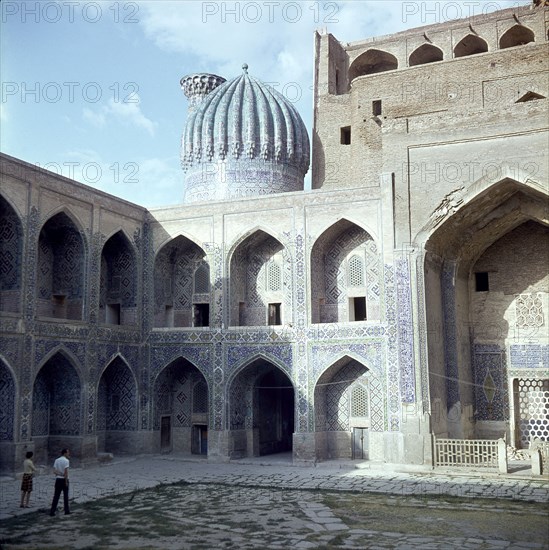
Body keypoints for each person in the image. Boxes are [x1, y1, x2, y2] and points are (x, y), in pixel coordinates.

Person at [49, 448, 70, 516]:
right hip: (64, 479)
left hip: (58, 479)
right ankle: (66, 510)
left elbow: (54, 471)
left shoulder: (57, 460)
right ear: (64, 453)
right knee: (65, 496)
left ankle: (52, 511)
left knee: (56, 496)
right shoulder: (66, 461)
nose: (68, 453)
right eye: (68, 452)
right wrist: (66, 481)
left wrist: (60, 474)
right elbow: (66, 472)